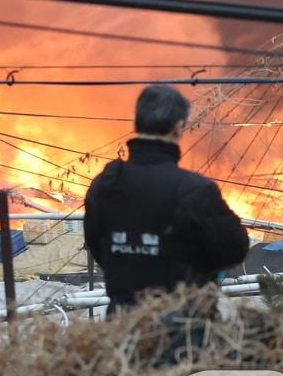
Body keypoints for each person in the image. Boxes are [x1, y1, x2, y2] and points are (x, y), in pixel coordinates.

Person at [83, 84, 249, 314]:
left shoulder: (105, 185)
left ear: (137, 124)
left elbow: (96, 245)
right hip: (184, 331)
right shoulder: (195, 189)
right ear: (179, 128)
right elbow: (235, 248)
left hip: (122, 328)